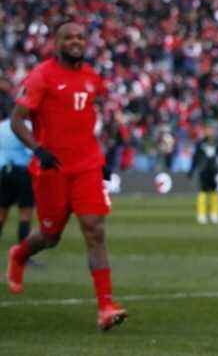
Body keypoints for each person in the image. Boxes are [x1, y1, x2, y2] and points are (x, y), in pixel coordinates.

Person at [5, 21, 127, 331]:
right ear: (56, 42)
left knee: (94, 230)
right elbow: (17, 120)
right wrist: (38, 149)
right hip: (52, 170)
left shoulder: (92, 78)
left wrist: (98, 159)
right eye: (68, 37)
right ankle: (19, 254)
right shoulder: (41, 76)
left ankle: (105, 307)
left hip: (86, 166)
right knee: (49, 236)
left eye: (80, 37)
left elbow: (85, 119)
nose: (75, 41)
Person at [0, 114, 34, 247]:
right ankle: (24, 252)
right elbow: (31, 151)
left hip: (4, 172)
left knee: (2, 213)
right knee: (25, 214)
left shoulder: (1, 127)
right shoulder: (27, 127)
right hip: (22, 172)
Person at [188, 122, 218, 225]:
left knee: (214, 192)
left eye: (211, 130)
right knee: (202, 192)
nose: (209, 132)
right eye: (207, 130)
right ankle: (201, 215)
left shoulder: (216, 143)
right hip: (203, 171)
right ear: (205, 131)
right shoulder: (200, 143)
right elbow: (195, 158)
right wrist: (192, 170)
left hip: (213, 170)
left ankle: (214, 214)